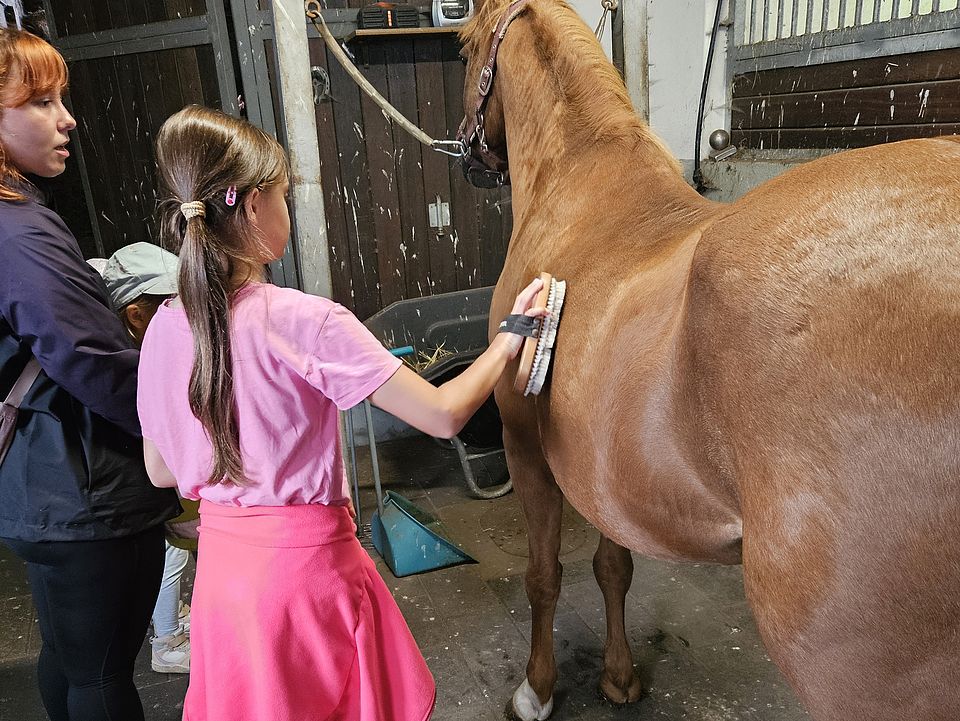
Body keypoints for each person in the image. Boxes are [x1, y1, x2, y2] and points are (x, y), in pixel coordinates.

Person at [137, 104, 546, 721]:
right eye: (281, 195)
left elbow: (162, 473)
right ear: (250, 207)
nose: (287, 213)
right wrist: (510, 336)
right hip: (304, 583)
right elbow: (442, 414)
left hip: (224, 582)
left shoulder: (163, 328)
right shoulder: (308, 321)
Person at [0, 28, 181, 721]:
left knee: (71, 660)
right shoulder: (19, 229)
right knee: (103, 675)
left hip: (38, 483)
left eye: (60, 98)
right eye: (40, 102)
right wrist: (182, 434)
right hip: (84, 491)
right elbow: (89, 357)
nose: (66, 117)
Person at [98, 242, 199, 674]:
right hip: (153, 487)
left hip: (162, 483)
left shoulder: (133, 341)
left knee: (177, 551)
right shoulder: (130, 360)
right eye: (170, 303)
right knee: (171, 556)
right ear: (136, 313)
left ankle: (172, 621)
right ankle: (166, 642)